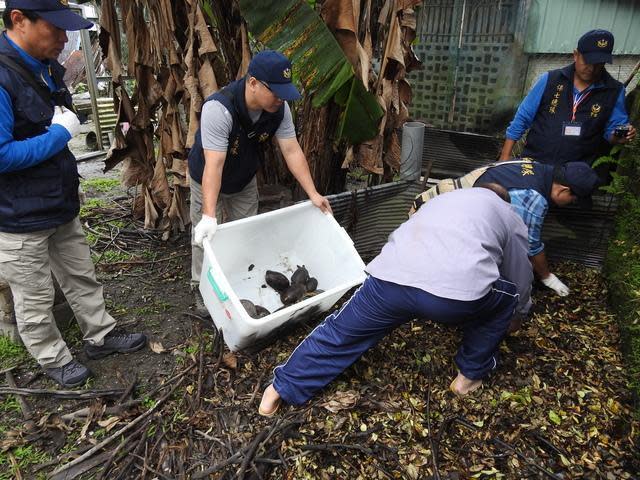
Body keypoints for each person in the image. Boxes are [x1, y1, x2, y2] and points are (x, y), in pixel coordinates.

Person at [259, 185, 533, 415]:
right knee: (507, 298)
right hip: (453, 298)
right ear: (503, 200)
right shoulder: (508, 215)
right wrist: (519, 313)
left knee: (341, 331)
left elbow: (403, 232)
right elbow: (519, 271)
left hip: (390, 277)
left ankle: (278, 390)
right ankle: (468, 378)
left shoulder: (444, 199)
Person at [0, 1, 146, 388]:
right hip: (18, 215)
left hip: (58, 200)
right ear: (19, 20)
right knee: (32, 295)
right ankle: (52, 357)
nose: (64, 38)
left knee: (81, 274)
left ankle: (100, 334)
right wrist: (60, 134)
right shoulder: (2, 76)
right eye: (55, 28)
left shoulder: (47, 67)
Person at [188, 50, 332, 312]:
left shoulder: (278, 109)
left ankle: (238, 280)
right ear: (253, 83)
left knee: (245, 233)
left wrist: (313, 193)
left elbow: (292, 150)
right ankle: (200, 287)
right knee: (205, 237)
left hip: (243, 179)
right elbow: (214, 165)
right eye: (275, 91)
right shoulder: (219, 109)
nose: (280, 98)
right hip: (208, 177)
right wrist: (209, 215)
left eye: (284, 92)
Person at [410, 159, 602, 297]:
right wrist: (547, 277)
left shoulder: (535, 167)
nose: (572, 203)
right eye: (574, 199)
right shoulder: (533, 198)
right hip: (434, 217)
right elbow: (530, 246)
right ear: (563, 189)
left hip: (444, 201)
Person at [499, 29, 636, 165]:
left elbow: (611, 132)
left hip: (577, 172)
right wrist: (505, 157)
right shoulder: (550, 80)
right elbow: (523, 118)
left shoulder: (614, 91)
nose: (592, 68)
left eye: (599, 63)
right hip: (535, 163)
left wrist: (619, 137)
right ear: (576, 55)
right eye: (588, 61)